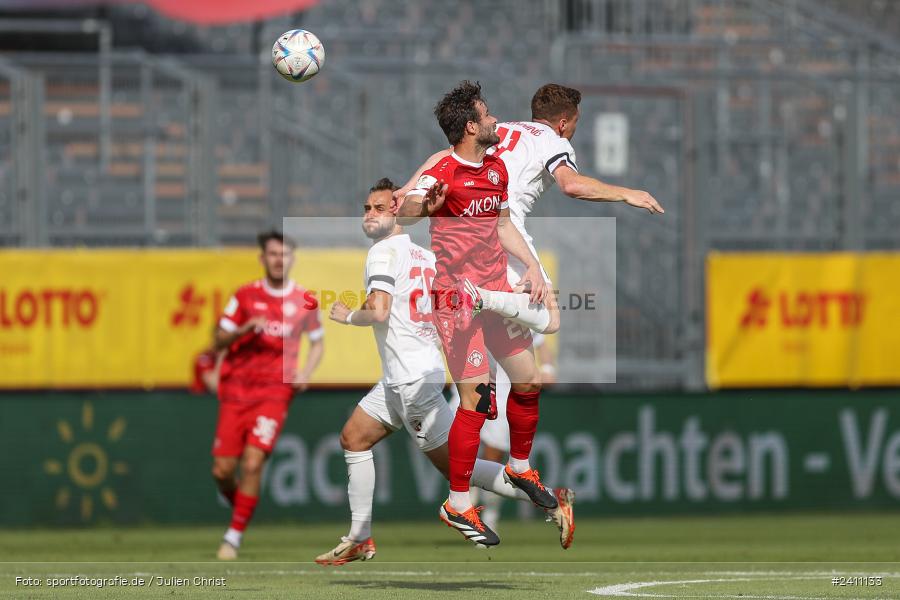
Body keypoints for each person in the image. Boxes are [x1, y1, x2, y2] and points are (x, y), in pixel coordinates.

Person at [315, 178, 574, 564]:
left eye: (380, 208)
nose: (370, 214)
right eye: (367, 208)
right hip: (403, 376)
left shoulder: (382, 253)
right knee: (354, 438)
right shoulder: (425, 256)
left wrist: (348, 315)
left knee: (459, 471)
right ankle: (360, 537)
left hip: (412, 380)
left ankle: (553, 500)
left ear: (398, 213)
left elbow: (380, 310)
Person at [396, 81, 559, 547]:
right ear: (470, 125)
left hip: (495, 292)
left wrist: (529, 263)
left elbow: (503, 224)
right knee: (477, 402)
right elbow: (409, 209)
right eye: (487, 116)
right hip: (456, 300)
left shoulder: (494, 169)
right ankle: (458, 502)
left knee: (528, 381)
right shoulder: (443, 172)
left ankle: (522, 468)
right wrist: (419, 205)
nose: (494, 120)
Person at [395, 83, 664, 336]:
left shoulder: (503, 128)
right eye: (575, 122)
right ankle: (478, 297)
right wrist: (627, 194)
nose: (573, 129)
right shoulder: (554, 141)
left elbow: (446, 154)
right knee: (550, 318)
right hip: (503, 222)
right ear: (563, 123)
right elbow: (571, 185)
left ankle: (477, 307)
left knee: (506, 315)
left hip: (468, 218)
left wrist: (408, 187)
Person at [210, 230, 325, 560]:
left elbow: (316, 342)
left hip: (274, 392)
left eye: (285, 254)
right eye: (273, 254)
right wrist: (244, 329)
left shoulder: (304, 300)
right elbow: (217, 339)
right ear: (263, 258)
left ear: (293, 259)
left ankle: (232, 537)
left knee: (253, 461)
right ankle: (244, 507)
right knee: (222, 471)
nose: (279, 260)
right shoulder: (244, 297)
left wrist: (305, 371)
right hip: (236, 391)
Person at [448, 332, 559, 532]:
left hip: (501, 392)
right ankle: (466, 501)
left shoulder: (513, 307)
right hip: (467, 388)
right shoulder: (466, 305)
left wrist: (548, 368)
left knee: (493, 455)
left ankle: (489, 518)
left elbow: (541, 344)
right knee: (457, 454)